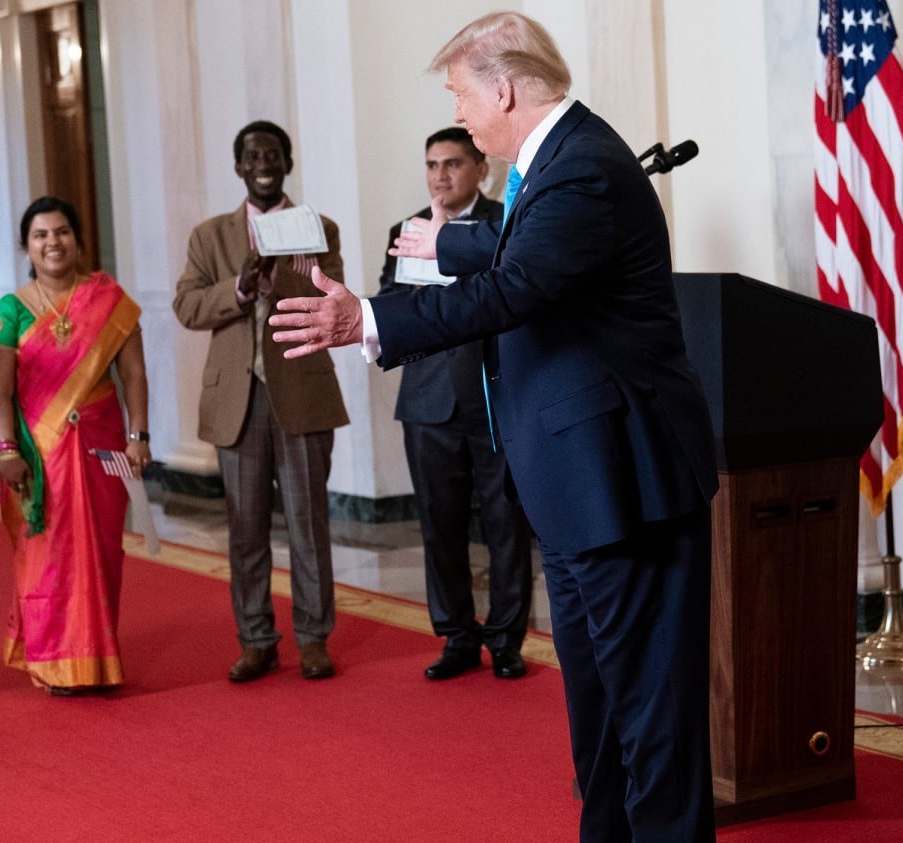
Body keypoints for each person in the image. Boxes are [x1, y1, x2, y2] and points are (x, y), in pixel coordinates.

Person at [269, 12, 718, 842]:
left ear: (503, 88)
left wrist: (369, 317)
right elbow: (524, 255)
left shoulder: (580, 170)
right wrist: (455, 245)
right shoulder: (554, 164)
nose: (460, 113)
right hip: (584, 488)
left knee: (651, 725)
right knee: (602, 717)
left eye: (460, 95)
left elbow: (518, 289)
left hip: (628, 485)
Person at [172, 120, 350, 682]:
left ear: (288, 163)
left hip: (301, 389)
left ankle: (314, 638)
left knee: (307, 522)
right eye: (252, 156)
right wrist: (241, 289)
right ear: (239, 167)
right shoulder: (210, 237)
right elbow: (187, 307)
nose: (264, 163)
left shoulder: (318, 228)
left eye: (273, 154)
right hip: (237, 400)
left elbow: (334, 300)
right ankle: (256, 638)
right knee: (245, 527)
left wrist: (279, 283)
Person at [378, 127, 533, 681]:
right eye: (432, 165)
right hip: (428, 400)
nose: (441, 175)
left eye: (452, 164)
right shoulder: (406, 230)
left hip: (496, 395)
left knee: (506, 523)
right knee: (438, 526)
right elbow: (391, 307)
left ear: (480, 169)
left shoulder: (505, 224)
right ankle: (456, 637)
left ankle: (508, 640)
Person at [0, 196, 150, 694]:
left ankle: (95, 659)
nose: (52, 243)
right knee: (45, 557)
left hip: (102, 447)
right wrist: (6, 450)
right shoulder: (9, 311)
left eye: (61, 232)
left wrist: (139, 436)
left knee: (100, 553)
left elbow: (135, 374)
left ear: (78, 240)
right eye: (40, 235)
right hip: (39, 452)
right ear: (26, 247)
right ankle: (53, 659)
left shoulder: (109, 301)